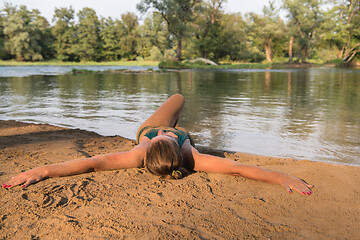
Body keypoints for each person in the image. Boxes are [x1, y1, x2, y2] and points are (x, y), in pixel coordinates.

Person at [3, 94, 313, 195]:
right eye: (166, 139)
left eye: (167, 139)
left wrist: (42, 170)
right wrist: (280, 177)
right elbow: (236, 169)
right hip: (175, 130)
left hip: (149, 127)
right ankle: (178, 119)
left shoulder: (139, 150)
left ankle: (173, 117)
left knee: (177, 99)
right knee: (178, 98)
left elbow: (93, 162)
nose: (166, 136)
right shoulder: (191, 154)